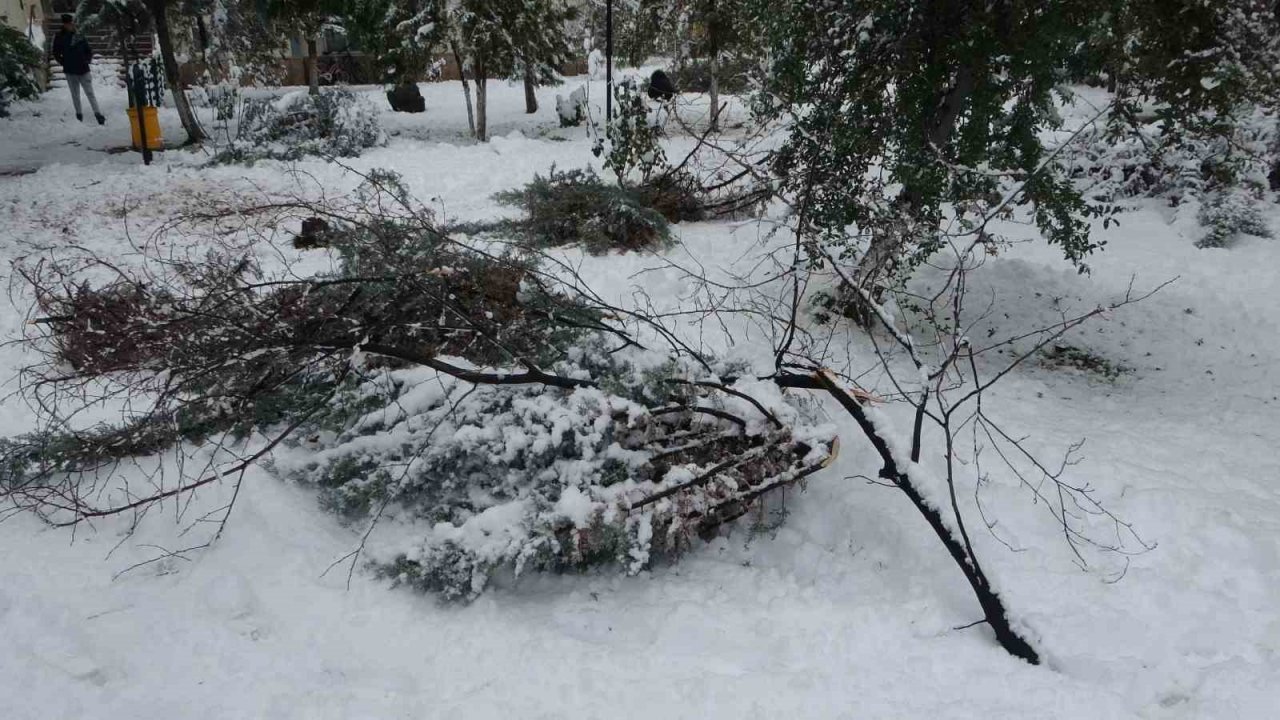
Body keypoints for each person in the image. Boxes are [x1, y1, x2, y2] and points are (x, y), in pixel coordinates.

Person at [51, 14, 105, 125]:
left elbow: (88, 49)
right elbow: (56, 52)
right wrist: (63, 62)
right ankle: (79, 115)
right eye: (69, 23)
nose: (72, 25)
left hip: (83, 69)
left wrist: (87, 59)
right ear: (65, 24)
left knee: (90, 93)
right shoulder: (59, 37)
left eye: (72, 23)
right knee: (75, 94)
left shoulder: (79, 34)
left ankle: (98, 114)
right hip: (70, 70)